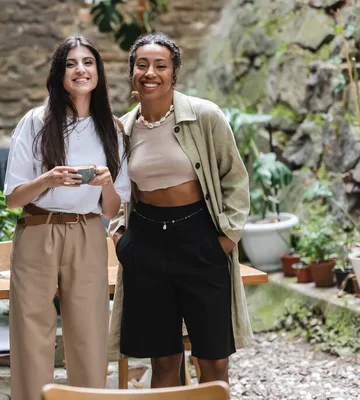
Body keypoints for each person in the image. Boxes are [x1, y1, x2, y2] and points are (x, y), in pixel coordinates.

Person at [108, 33, 253, 387]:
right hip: (146, 242)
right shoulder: (123, 129)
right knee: (163, 359)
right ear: (131, 74)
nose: (150, 72)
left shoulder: (205, 116)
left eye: (161, 65)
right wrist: (119, 235)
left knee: (214, 358)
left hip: (200, 238)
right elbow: (116, 186)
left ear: (174, 73)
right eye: (141, 65)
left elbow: (234, 177)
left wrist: (227, 237)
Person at [3, 36, 130, 400]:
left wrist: (106, 182)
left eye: (88, 62)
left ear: (99, 73)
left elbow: (111, 210)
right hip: (37, 231)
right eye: (71, 64)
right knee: (31, 333)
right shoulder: (36, 122)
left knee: (90, 332)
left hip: (87, 232)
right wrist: (47, 180)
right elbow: (13, 198)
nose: (81, 70)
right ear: (59, 74)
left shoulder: (112, 128)